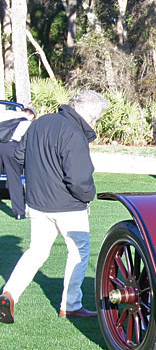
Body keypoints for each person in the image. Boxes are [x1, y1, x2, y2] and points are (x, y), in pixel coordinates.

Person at [0, 90, 110, 324]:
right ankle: (70, 305)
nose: (94, 123)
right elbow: (79, 180)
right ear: (85, 112)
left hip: (37, 203)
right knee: (79, 252)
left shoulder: (40, 123)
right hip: (69, 206)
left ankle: (9, 293)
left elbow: (19, 156)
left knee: (35, 252)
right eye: (95, 118)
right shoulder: (74, 133)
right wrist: (89, 195)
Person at [0, 105, 36, 219]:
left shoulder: (7, 114)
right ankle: (19, 212)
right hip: (10, 147)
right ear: (31, 115)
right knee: (14, 177)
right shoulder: (26, 123)